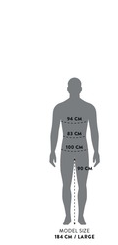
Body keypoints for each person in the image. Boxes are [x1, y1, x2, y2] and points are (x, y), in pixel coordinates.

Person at [49, 78, 100, 225]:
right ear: (80, 89)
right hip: (69, 150)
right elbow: (54, 130)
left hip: (80, 150)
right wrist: (52, 151)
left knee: (80, 184)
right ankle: (68, 216)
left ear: (68, 89)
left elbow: (94, 130)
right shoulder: (59, 108)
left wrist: (96, 151)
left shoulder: (89, 108)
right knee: (68, 184)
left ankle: (80, 216)